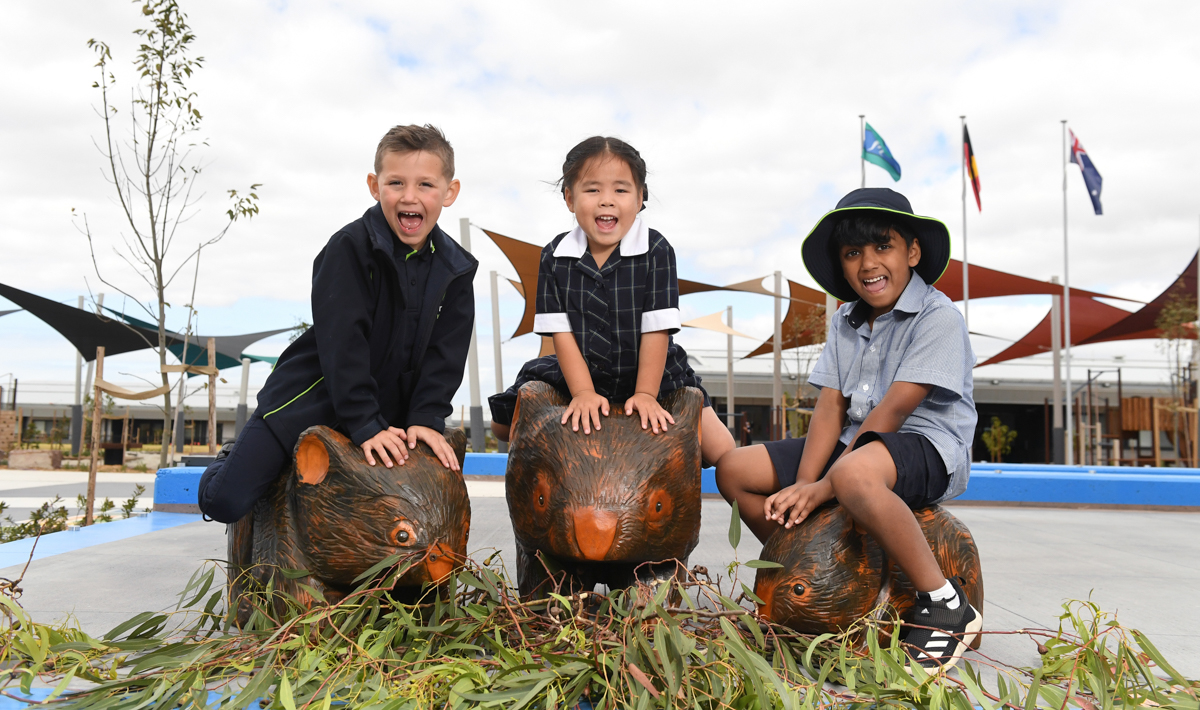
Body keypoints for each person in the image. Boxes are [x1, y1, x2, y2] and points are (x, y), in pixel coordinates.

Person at [715, 188, 980, 670]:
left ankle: (945, 605)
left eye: (883, 247)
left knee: (856, 475)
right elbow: (831, 407)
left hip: (926, 444)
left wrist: (821, 487)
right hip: (852, 444)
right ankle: (812, 568)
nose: (868, 263)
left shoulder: (938, 317)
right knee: (734, 469)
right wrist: (802, 483)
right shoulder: (845, 319)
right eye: (853, 252)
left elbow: (894, 412)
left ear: (912, 252)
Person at [198, 124, 478, 524]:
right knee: (225, 503)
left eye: (426, 185)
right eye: (395, 182)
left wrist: (425, 419)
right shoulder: (350, 248)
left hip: (389, 413)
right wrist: (364, 423)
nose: (410, 196)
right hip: (314, 397)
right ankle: (231, 457)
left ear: (449, 192)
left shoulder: (456, 268)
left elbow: (446, 354)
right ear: (374, 185)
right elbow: (342, 343)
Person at [489, 136, 735, 467]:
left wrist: (646, 394)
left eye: (620, 190)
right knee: (502, 426)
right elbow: (559, 334)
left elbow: (657, 331)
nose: (607, 201)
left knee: (721, 450)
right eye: (592, 190)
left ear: (640, 198)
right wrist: (583, 394)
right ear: (569, 198)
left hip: (650, 367)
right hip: (580, 365)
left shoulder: (657, 250)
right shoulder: (554, 256)